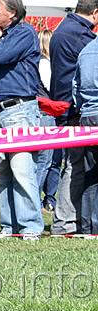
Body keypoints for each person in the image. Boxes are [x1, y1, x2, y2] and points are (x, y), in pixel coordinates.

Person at [0, 0, 43, 241]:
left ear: (12, 12)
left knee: (22, 170)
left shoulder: (24, 32)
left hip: (19, 111)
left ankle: (30, 228)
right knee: (0, 171)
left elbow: (2, 56)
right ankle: (9, 226)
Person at [48, 0, 98, 235]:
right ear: (95, 13)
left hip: (70, 108)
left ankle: (75, 220)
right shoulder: (81, 37)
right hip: (76, 111)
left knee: (76, 166)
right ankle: (67, 221)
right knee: (76, 168)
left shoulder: (63, 29)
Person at [73, 36, 98, 234]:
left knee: (91, 173)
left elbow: (76, 88)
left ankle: (89, 226)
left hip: (88, 116)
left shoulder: (86, 50)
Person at [35, 29, 56, 214]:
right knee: (44, 161)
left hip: (41, 114)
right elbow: (51, 86)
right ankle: (35, 200)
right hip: (45, 114)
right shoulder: (45, 64)